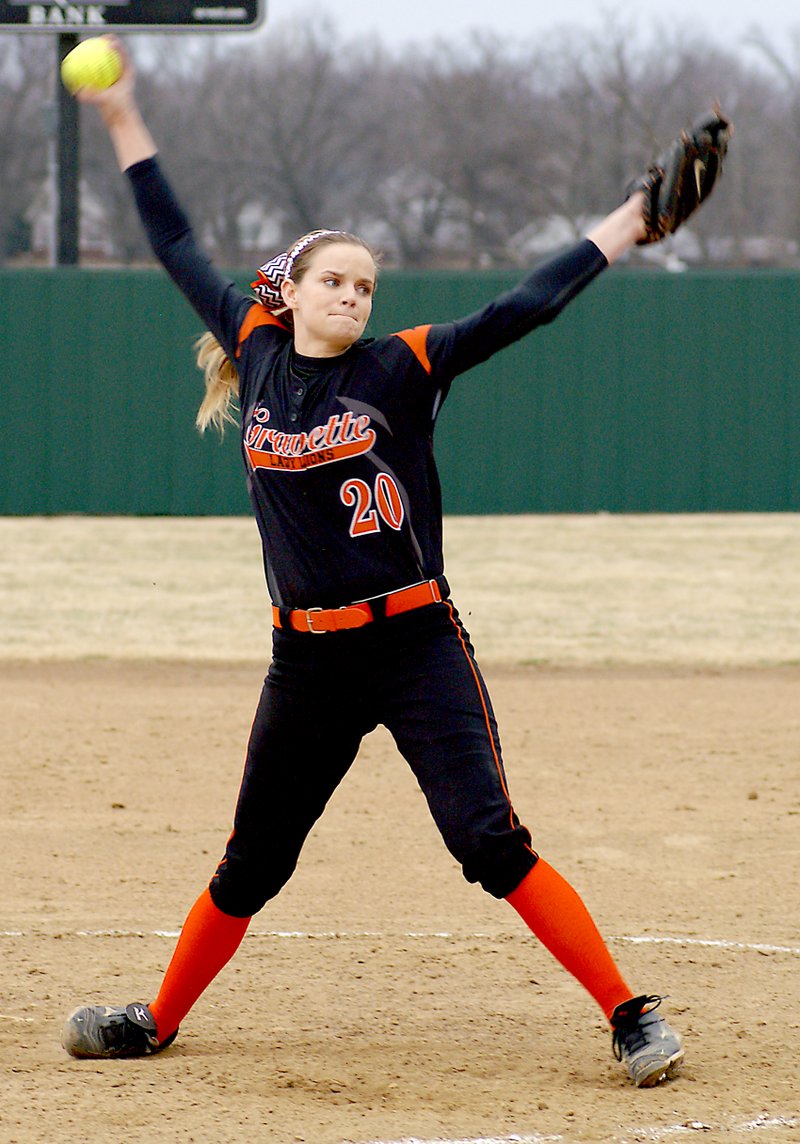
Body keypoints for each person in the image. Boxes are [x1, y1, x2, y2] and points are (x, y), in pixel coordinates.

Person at [62, 35, 688, 1088]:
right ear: (292, 292)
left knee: (486, 840)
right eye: (336, 281)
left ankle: (627, 1014)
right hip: (305, 662)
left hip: (412, 642)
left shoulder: (402, 364)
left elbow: (521, 306)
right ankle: (155, 1019)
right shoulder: (253, 344)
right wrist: (122, 116)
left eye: (364, 283)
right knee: (250, 862)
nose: (354, 296)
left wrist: (631, 221)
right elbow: (173, 240)